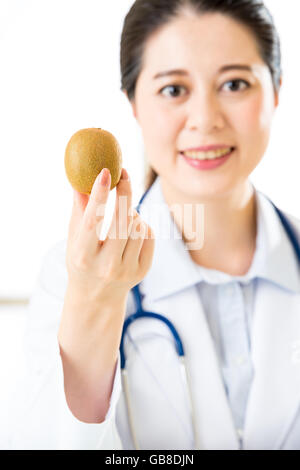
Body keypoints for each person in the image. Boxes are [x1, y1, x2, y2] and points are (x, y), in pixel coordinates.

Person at [7, 0, 300, 450]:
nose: (205, 120)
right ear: (134, 104)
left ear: (277, 90)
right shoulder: (70, 276)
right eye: (173, 90)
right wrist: (95, 304)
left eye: (235, 83)